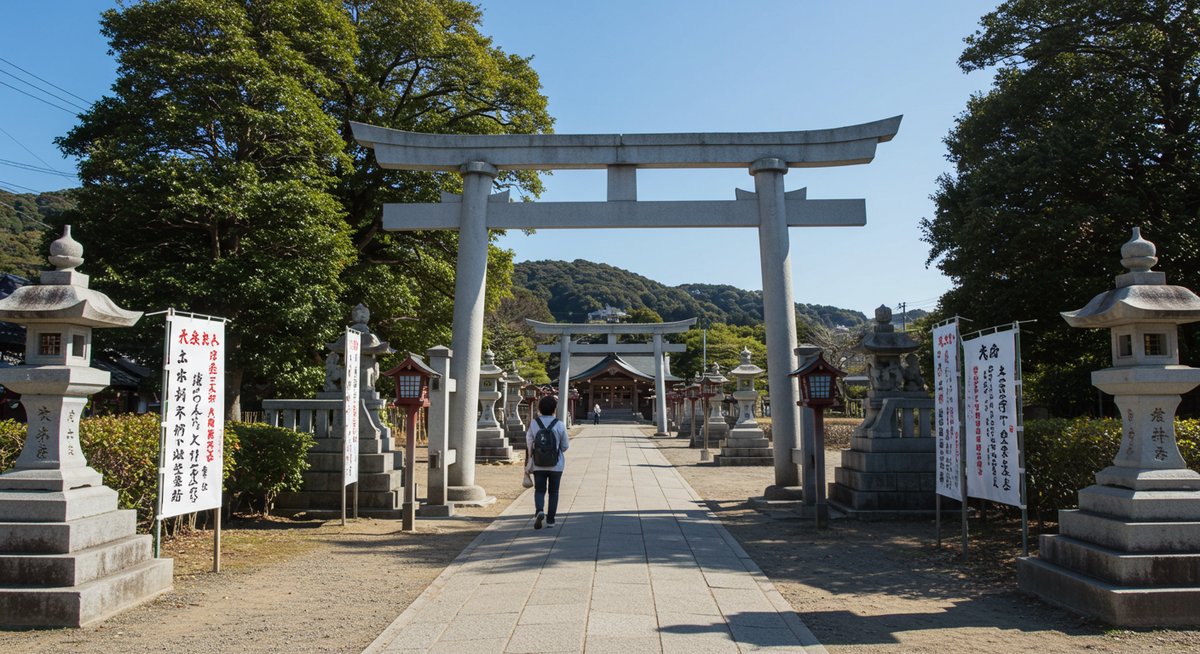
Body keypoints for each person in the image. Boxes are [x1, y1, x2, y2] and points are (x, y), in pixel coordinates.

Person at [526, 395, 570, 529]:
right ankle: (550, 520)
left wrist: (531, 456)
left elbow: (529, 442)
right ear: (554, 409)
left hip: (538, 463)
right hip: (556, 464)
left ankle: (539, 510)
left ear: (539, 408)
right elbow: (565, 445)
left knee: (539, 490)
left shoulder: (534, 423)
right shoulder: (559, 424)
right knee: (554, 492)